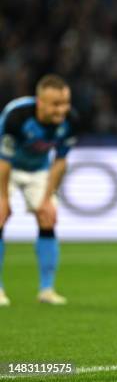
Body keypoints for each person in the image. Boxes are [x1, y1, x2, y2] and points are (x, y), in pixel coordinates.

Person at [0, 74, 78, 306]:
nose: (61, 110)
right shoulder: (16, 116)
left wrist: (46, 198)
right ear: (40, 102)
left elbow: (60, 162)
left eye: (65, 103)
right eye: (56, 104)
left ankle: (47, 290)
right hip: (7, 167)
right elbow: (3, 161)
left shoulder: (70, 120)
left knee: (48, 217)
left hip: (38, 169)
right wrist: (3, 198)